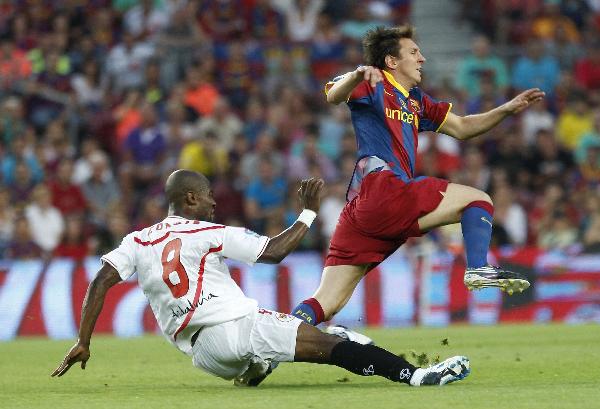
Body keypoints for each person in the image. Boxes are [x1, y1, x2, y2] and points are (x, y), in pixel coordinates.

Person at [51, 169, 470, 387]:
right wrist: (307, 211)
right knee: (332, 346)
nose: (214, 201)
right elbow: (274, 252)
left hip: (204, 357)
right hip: (234, 330)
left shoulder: (138, 239)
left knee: (274, 341)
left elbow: (100, 281)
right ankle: (417, 376)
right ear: (191, 198)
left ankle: (256, 367)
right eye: (209, 194)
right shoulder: (210, 232)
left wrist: (84, 340)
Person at [290, 25, 543, 335]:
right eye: (413, 52)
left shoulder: (416, 100)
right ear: (392, 61)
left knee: (326, 302)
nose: (422, 58)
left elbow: (462, 127)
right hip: (383, 188)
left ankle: (268, 344)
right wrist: (357, 74)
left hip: (365, 210)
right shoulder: (374, 82)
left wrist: (506, 109)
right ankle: (478, 267)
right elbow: (332, 95)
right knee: (478, 200)